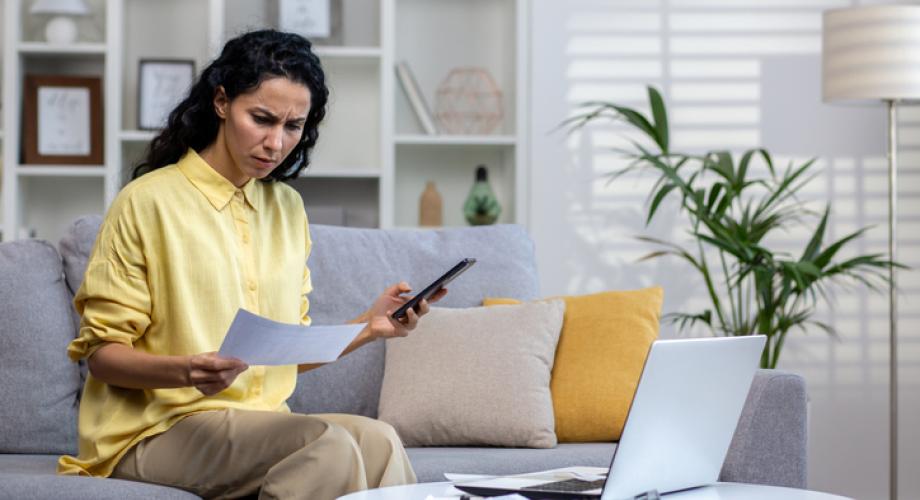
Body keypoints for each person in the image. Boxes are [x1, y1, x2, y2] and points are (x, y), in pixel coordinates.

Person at [57, 29, 445, 500]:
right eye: (261, 119)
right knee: (328, 444)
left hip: (258, 426)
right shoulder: (147, 202)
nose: (276, 143)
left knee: (380, 441)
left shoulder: (286, 208)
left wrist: (369, 325)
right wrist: (186, 371)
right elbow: (102, 358)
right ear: (221, 102)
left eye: (293, 126)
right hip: (156, 430)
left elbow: (281, 353)